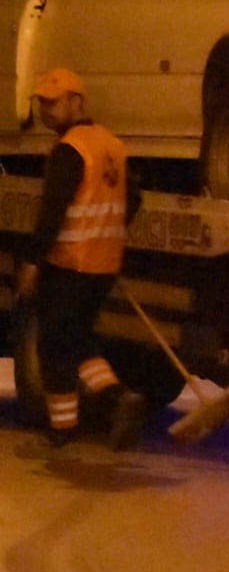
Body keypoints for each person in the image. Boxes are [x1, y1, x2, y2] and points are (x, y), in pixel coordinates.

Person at [15, 68, 145, 454]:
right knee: (75, 337)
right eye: (42, 103)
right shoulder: (111, 146)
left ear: (77, 102)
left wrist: (34, 261)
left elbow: (52, 211)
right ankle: (104, 404)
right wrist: (108, 229)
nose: (46, 110)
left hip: (69, 263)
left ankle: (89, 412)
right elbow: (133, 200)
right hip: (102, 265)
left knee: (54, 345)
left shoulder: (70, 149)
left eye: (53, 103)